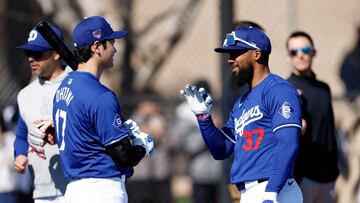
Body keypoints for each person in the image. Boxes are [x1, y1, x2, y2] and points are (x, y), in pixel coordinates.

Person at [180, 27, 303, 203]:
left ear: (257, 54)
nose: (230, 60)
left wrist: (271, 192)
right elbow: (221, 150)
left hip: (275, 189)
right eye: (229, 54)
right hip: (250, 193)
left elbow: (288, 143)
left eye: (236, 53)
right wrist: (203, 117)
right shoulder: (241, 103)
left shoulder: (279, 90)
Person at [52, 16, 154, 203]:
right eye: (111, 42)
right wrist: (141, 147)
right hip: (102, 190)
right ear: (96, 47)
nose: (115, 49)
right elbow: (123, 157)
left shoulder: (64, 87)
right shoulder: (101, 96)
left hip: (74, 191)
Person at [13, 24, 71, 203]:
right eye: (28, 54)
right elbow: (22, 135)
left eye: (37, 54)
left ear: (56, 53)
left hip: (76, 186)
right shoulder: (25, 95)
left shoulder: (76, 83)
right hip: (42, 189)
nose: (31, 59)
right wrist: (20, 154)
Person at [286, 31, 339, 203]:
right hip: (302, 175)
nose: (300, 55)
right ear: (289, 57)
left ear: (313, 52)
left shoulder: (324, 88)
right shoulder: (287, 89)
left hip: (327, 175)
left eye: (305, 49)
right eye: (294, 52)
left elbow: (329, 130)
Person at [174, 80, 223, 203]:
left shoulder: (217, 110)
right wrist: (210, 130)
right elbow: (189, 146)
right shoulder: (185, 114)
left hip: (219, 171)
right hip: (199, 171)